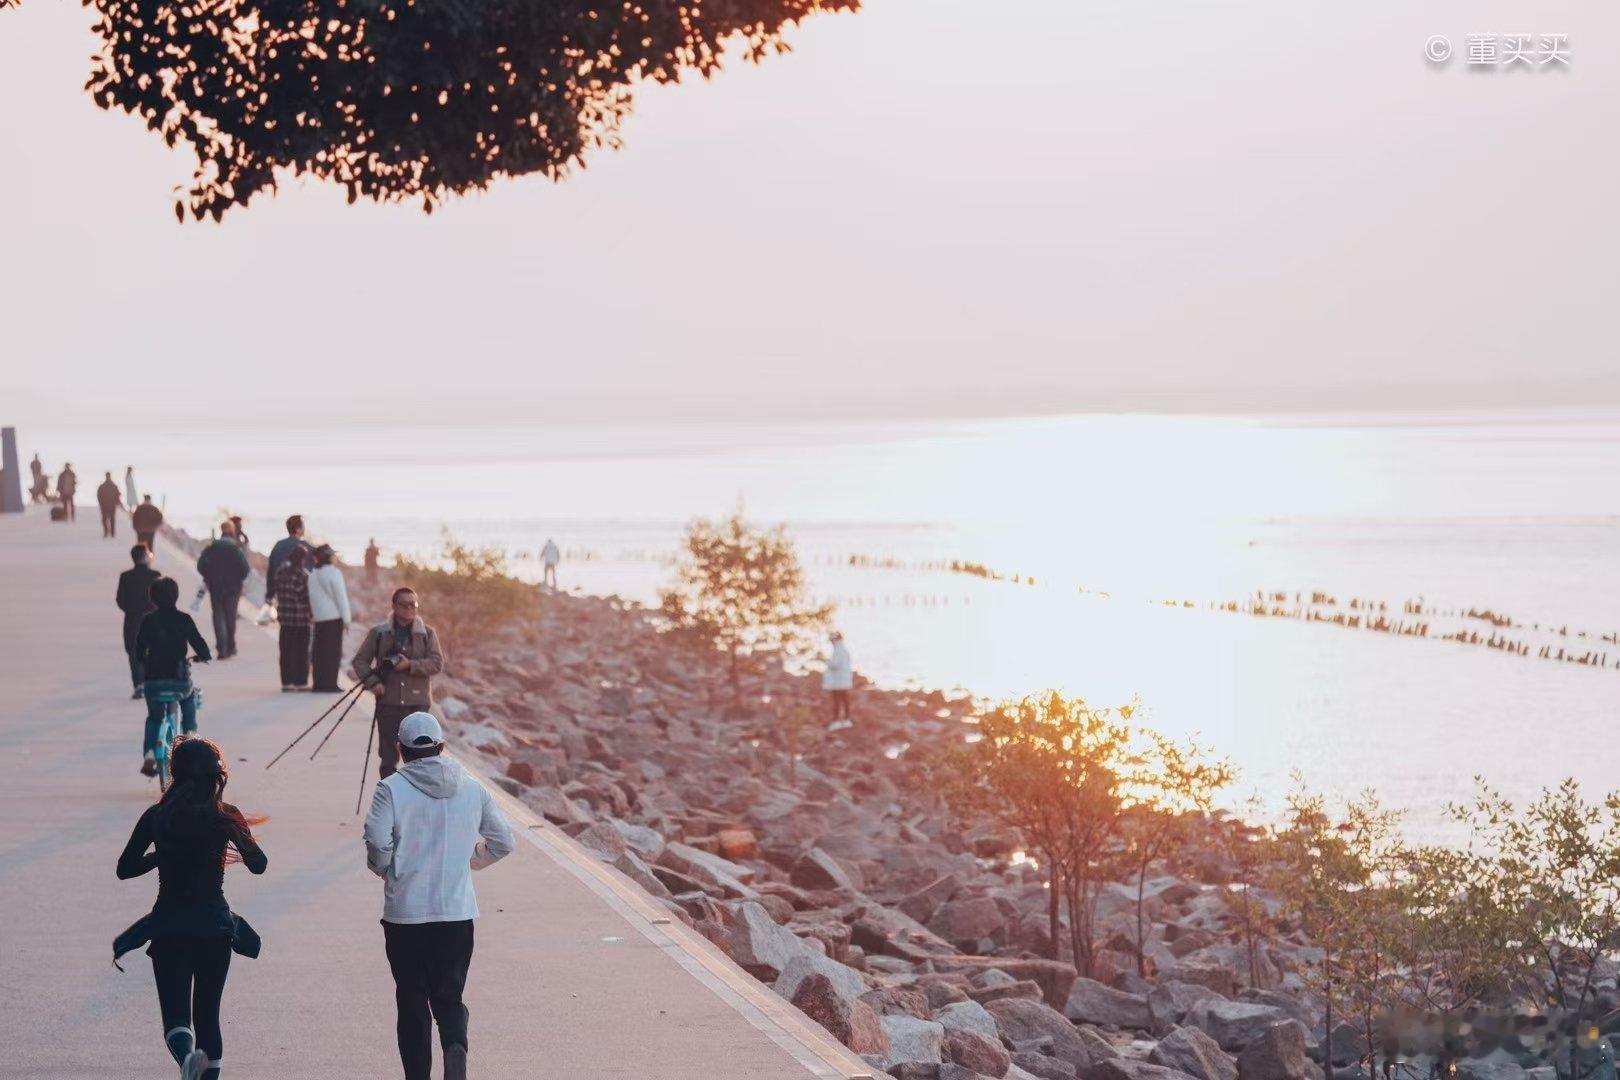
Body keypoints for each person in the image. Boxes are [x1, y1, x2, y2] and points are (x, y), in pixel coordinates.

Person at [364, 712, 513, 1080]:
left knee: (411, 1000)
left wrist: (386, 869)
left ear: (401, 750)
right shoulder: (472, 787)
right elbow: (504, 841)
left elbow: (376, 839)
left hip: (406, 916)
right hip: (456, 914)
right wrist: (471, 863)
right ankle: (455, 1047)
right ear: (442, 748)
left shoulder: (391, 789)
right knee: (448, 997)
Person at [115, 737, 267, 1080]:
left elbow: (125, 868)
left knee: (176, 1020)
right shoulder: (226, 815)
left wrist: (160, 857)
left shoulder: (156, 816)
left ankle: (186, 1058)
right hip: (215, 927)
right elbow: (259, 865)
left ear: (174, 773)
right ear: (217, 775)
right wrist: (238, 839)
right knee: (208, 1018)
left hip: (169, 927)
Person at [351, 588, 444, 779]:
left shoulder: (427, 633)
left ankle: (419, 801)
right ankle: (390, 799)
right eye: (405, 604)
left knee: (422, 759)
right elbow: (360, 661)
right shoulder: (379, 633)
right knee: (388, 758)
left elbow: (437, 664)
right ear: (394, 606)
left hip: (417, 704)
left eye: (414, 604)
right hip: (388, 703)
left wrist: (410, 664)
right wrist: (373, 683)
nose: (410, 608)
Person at [134, 576, 212, 775]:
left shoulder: (148, 620)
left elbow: (138, 653)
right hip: (179, 681)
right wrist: (204, 656)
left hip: (154, 681)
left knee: (154, 718)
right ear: (176, 596)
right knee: (189, 697)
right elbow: (199, 643)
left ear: (153, 598)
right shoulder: (184, 619)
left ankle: (150, 754)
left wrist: (147, 660)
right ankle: (191, 738)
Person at [196, 523, 250, 659]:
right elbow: (245, 570)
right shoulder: (236, 549)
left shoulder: (212, 548)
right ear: (232, 533)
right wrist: (237, 579)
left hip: (215, 586)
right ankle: (231, 645)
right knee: (230, 616)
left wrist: (209, 576)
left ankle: (222, 648)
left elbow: (200, 565)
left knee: (218, 615)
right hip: (233, 588)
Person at [117, 544, 161, 699]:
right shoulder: (155, 575)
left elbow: (120, 600)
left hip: (132, 620)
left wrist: (132, 610)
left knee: (133, 653)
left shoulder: (125, 576)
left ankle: (139, 685)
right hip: (153, 620)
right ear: (145, 557)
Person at [308, 544, 352, 692]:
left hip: (319, 618)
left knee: (319, 652)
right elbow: (341, 598)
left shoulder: (313, 574)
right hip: (333, 617)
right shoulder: (334, 573)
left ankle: (318, 683)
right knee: (332, 652)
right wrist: (347, 619)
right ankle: (330, 684)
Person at [272, 544, 313, 691]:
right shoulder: (303, 575)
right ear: (302, 559)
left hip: (285, 618)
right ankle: (300, 682)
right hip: (301, 620)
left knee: (286, 651)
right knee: (301, 652)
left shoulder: (280, 573)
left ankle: (286, 683)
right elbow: (306, 598)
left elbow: (277, 592)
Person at [264, 515, 311, 610]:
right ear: (298, 529)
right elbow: (311, 573)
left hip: (281, 595)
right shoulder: (306, 547)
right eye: (303, 526)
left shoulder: (278, 546)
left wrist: (269, 595)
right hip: (301, 596)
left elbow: (271, 572)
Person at [822, 630, 855, 729]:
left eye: (832, 641)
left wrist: (824, 660)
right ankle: (846, 720)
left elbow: (835, 665)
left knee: (837, 701)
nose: (831, 643)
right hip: (844, 681)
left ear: (834, 640)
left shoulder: (838, 651)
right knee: (845, 701)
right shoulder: (844, 650)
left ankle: (836, 721)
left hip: (838, 682)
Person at [97, 471, 123, 538]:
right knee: (111, 519)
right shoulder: (113, 485)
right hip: (111, 505)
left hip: (105, 505)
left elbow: (99, 496)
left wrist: (101, 503)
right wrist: (118, 502)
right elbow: (118, 495)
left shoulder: (103, 486)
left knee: (105, 519)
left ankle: (107, 532)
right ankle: (112, 533)